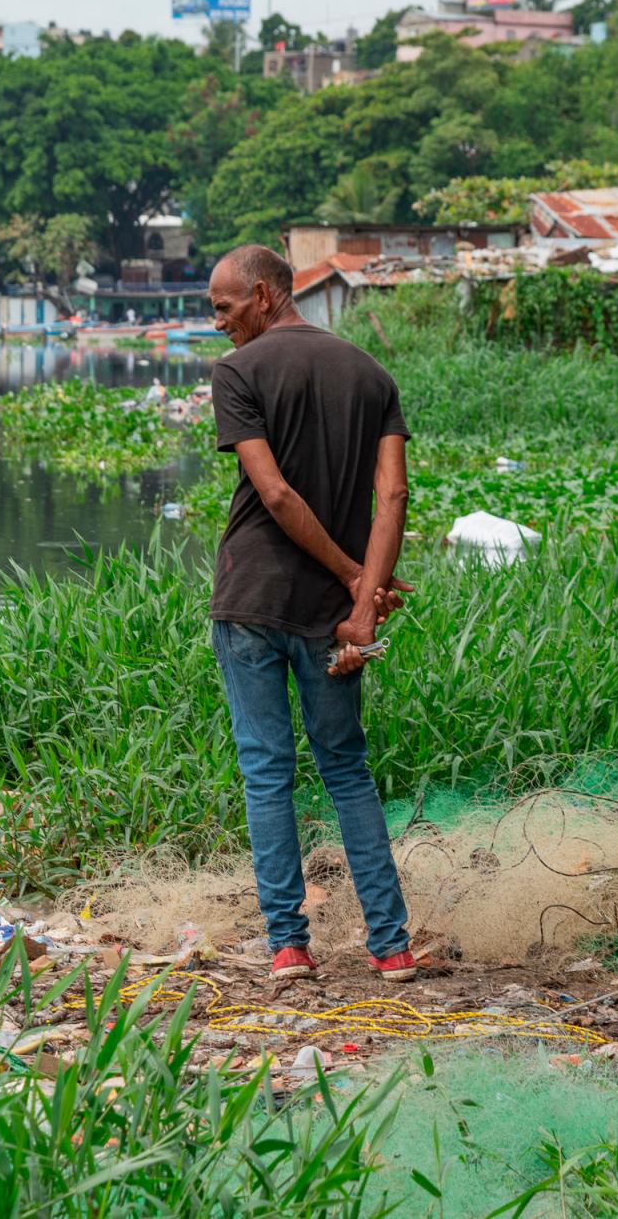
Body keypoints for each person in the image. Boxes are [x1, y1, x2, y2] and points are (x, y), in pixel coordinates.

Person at [205, 244, 419, 984]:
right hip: (331, 615)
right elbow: (391, 498)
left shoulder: (238, 373)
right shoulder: (371, 375)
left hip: (252, 600)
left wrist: (356, 578)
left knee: (268, 772)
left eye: (226, 306)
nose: (220, 322)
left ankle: (290, 946)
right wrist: (363, 593)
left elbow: (277, 497)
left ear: (264, 296)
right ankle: (391, 947)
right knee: (347, 771)